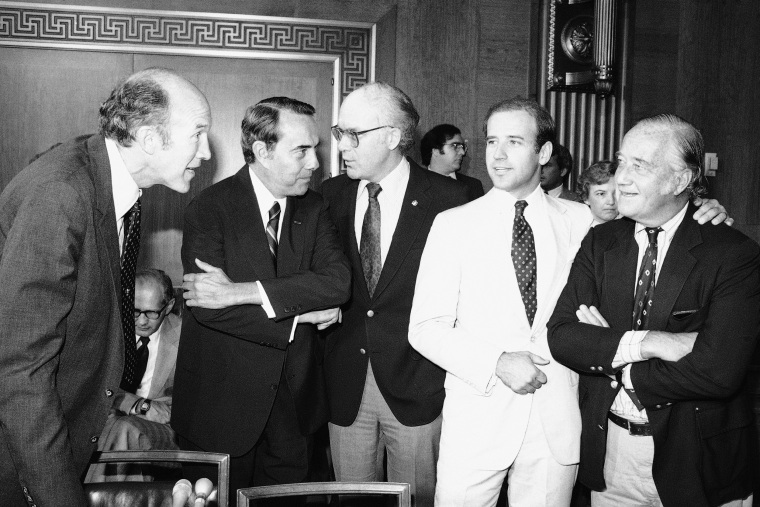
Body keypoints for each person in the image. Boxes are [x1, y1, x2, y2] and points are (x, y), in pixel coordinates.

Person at [408, 99, 733, 507]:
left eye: (513, 141)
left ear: (543, 153)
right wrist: (496, 362)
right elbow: (424, 327)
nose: (498, 154)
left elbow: (662, 225)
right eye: (491, 140)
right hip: (478, 418)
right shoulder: (453, 224)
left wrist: (705, 209)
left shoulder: (583, 222)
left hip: (557, 420)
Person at [0, 68, 211, 507]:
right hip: (21, 456)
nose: (206, 152)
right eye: (198, 135)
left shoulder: (110, 183)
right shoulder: (60, 193)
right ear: (151, 138)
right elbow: (19, 369)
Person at [547, 114, 758, 507]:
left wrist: (611, 351)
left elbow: (720, 372)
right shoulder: (601, 241)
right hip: (611, 456)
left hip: (698, 462)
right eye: (620, 162)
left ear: (681, 180)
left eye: (639, 166)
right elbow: (561, 336)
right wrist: (652, 343)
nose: (620, 179)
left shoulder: (733, 254)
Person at [172, 97, 351, 494]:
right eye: (302, 150)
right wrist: (300, 316)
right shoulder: (209, 208)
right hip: (219, 407)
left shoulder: (315, 207)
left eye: (315, 149)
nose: (315, 163)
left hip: (295, 409)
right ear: (262, 151)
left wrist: (245, 292)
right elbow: (210, 309)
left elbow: (337, 282)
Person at [320, 82, 469, 507]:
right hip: (345, 384)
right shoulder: (328, 196)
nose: (343, 145)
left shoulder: (453, 200)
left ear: (390, 136)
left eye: (354, 134)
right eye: (339, 133)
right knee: (352, 502)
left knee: (419, 500)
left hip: (420, 384)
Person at [86, 268, 181, 483]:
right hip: (113, 420)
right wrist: (139, 405)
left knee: (125, 429)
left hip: (166, 430)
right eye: (135, 311)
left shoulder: (186, 337)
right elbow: (95, 386)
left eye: (152, 312)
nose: (141, 321)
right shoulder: (109, 331)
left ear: (169, 306)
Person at [421, 123, 484, 201]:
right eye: (455, 146)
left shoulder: (473, 186)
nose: (462, 152)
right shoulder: (416, 185)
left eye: (462, 147)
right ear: (435, 151)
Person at [577, 160, 619, 225]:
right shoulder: (574, 228)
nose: (611, 202)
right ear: (585, 197)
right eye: (601, 194)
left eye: (616, 193)